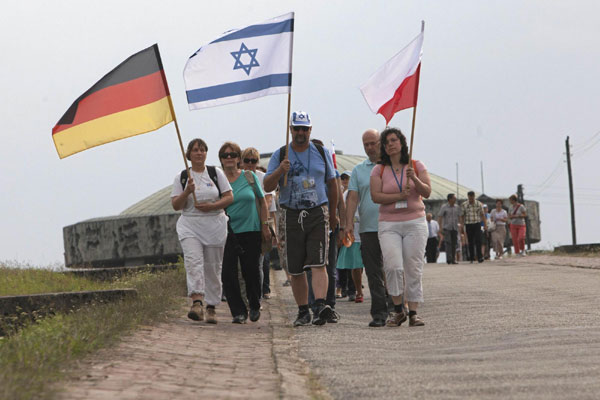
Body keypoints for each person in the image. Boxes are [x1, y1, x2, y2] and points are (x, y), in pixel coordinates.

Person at [264, 111, 338, 326]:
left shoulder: (321, 153)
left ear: (310, 130)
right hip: (290, 214)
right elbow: (267, 186)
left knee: (318, 262)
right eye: (297, 128)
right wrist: (280, 170)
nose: (300, 133)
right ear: (291, 129)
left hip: (317, 212)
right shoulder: (281, 154)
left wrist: (333, 214)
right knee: (295, 268)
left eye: (304, 129)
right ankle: (303, 309)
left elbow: (332, 184)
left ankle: (320, 306)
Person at [370, 127, 431, 327]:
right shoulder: (378, 169)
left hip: (414, 222)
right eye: (386, 142)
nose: (390, 145)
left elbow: (427, 192)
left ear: (402, 142)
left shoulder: (416, 165)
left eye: (394, 140)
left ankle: (413, 312)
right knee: (393, 266)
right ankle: (397, 309)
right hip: (389, 224)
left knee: (413, 267)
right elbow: (376, 196)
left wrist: (414, 178)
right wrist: (399, 197)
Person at [171, 138, 233, 324]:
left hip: (214, 224)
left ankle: (212, 306)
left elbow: (229, 197)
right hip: (190, 224)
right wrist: (187, 192)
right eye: (195, 150)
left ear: (206, 153)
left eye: (202, 150)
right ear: (188, 155)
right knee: (193, 262)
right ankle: (196, 302)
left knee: (213, 266)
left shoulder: (216, 173)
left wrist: (213, 206)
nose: (199, 153)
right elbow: (176, 205)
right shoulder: (182, 177)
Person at [346, 129, 395, 327]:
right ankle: (379, 313)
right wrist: (348, 223)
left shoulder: (392, 166)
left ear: (381, 143)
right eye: (366, 144)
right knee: (373, 272)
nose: (369, 148)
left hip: (392, 225)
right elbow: (352, 197)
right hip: (368, 228)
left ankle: (396, 307)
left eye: (373, 143)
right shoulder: (359, 170)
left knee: (393, 269)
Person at [220, 142, 271, 324]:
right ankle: (238, 311)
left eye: (232, 155)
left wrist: (265, 225)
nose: (229, 158)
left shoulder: (249, 176)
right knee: (228, 273)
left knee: (251, 271)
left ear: (238, 159)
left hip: (251, 230)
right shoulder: (218, 180)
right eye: (225, 155)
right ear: (221, 159)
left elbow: (262, 201)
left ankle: (255, 303)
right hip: (227, 232)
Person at [241, 147, 276, 300]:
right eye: (247, 161)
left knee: (259, 263)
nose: (250, 164)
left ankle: (257, 296)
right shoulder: (237, 177)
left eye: (253, 161)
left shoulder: (262, 177)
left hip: (259, 223)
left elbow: (267, 200)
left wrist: (264, 223)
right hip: (241, 224)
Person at [337, 174, 364, 303]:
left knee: (371, 263)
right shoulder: (346, 194)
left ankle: (385, 291)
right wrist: (343, 227)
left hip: (368, 229)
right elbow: (342, 211)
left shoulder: (367, 191)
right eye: (345, 179)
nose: (347, 181)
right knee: (354, 264)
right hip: (353, 231)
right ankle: (357, 291)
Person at [336, 171, 357, 300]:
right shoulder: (341, 193)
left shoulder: (355, 192)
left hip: (354, 229)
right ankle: (344, 287)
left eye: (347, 178)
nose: (345, 181)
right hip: (343, 230)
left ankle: (352, 288)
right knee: (342, 261)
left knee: (353, 262)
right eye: (342, 179)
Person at [460, 191, 487, 263]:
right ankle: (471, 257)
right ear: (468, 197)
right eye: (470, 197)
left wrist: (485, 225)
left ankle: (480, 257)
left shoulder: (479, 204)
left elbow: (482, 215)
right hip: (468, 224)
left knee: (479, 240)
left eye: (472, 197)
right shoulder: (464, 204)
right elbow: (462, 216)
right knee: (470, 241)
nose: (471, 199)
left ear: (474, 197)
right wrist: (462, 225)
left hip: (477, 224)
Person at [438, 194, 461, 265]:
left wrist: (460, 225)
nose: (455, 199)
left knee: (454, 244)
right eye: (454, 198)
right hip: (447, 228)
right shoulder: (444, 207)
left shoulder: (457, 207)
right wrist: (440, 227)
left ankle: (453, 259)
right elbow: (440, 217)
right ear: (450, 199)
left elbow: (459, 216)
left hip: (455, 228)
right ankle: (449, 259)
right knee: (448, 243)